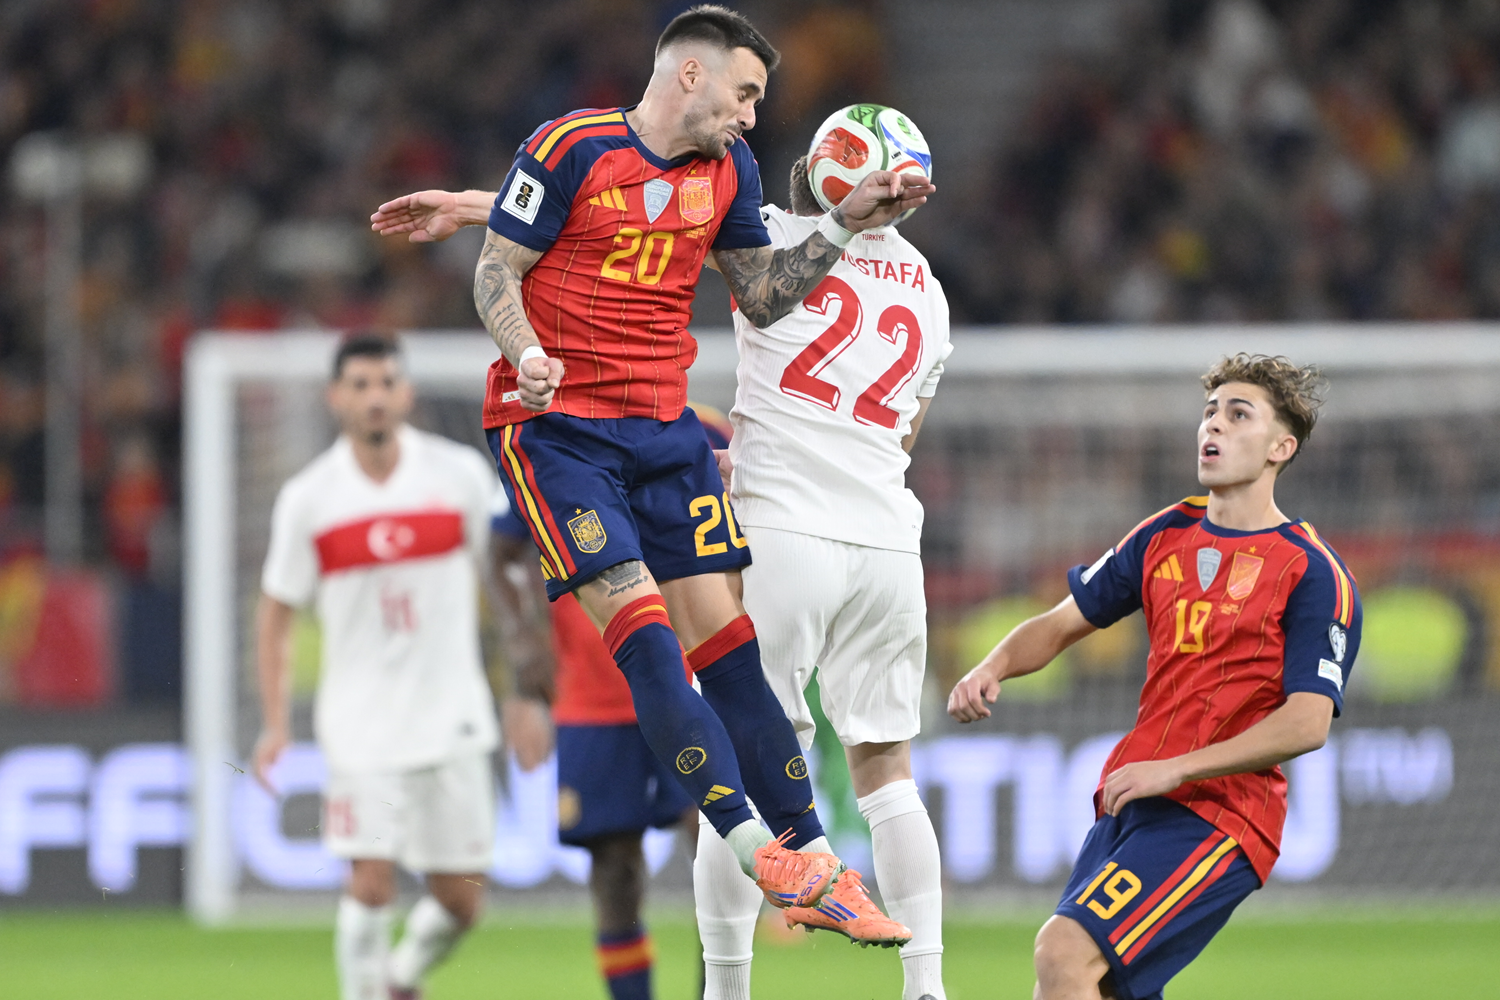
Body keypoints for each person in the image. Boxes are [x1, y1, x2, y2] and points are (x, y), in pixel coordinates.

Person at [370, 4, 932, 925]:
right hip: (555, 434)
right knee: (650, 643)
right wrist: (526, 353)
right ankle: (765, 856)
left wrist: (837, 224)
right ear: (690, 76)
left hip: (664, 433)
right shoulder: (569, 145)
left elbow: (762, 296)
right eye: (745, 93)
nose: (754, 116)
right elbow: (494, 274)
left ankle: (820, 860)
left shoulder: (731, 170)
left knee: (734, 654)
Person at [948, 354, 1362, 1000]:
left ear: (1282, 447)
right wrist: (994, 663)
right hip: (1135, 799)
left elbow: (1306, 722)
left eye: (1237, 414)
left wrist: (1179, 768)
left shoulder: (1311, 572)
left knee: (1063, 952)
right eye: (1209, 413)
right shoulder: (1164, 534)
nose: (1212, 427)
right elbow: (1060, 624)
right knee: (1091, 984)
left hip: (1220, 814)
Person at [691, 147, 951, 1000]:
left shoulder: (770, 233)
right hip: (885, 543)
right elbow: (903, 435)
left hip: (782, 530)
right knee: (888, 771)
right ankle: (927, 987)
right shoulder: (929, 291)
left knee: (743, 766)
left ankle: (726, 988)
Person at [253, 335, 501, 1000]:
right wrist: (275, 723)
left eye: (385, 383)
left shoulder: (458, 478)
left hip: (452, 713)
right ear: (337, 398)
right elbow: (276, 613)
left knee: (461, 901)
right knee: (370, 882)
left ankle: (400, 978)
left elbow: (508, 581)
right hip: (360, 722)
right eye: (359, 385)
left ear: (406, 393)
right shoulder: (310, 498)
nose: (374, 397)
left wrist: (529, 694)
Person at [489, 403, 734, 1000]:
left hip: (692, 680)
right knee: (614, 868)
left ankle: (722, 991)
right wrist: (525, 653)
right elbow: (500, 554)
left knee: (717, 854)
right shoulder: (554, 433)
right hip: (593, 694)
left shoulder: (705, 432)